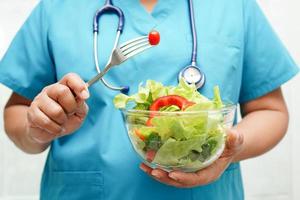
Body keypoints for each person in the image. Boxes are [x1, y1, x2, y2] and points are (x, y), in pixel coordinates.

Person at [0, 0, 299, 199]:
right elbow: (18, 112)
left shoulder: (234, 6)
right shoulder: (58, 7)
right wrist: (36, 129)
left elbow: (270, 110)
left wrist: (230, 148)